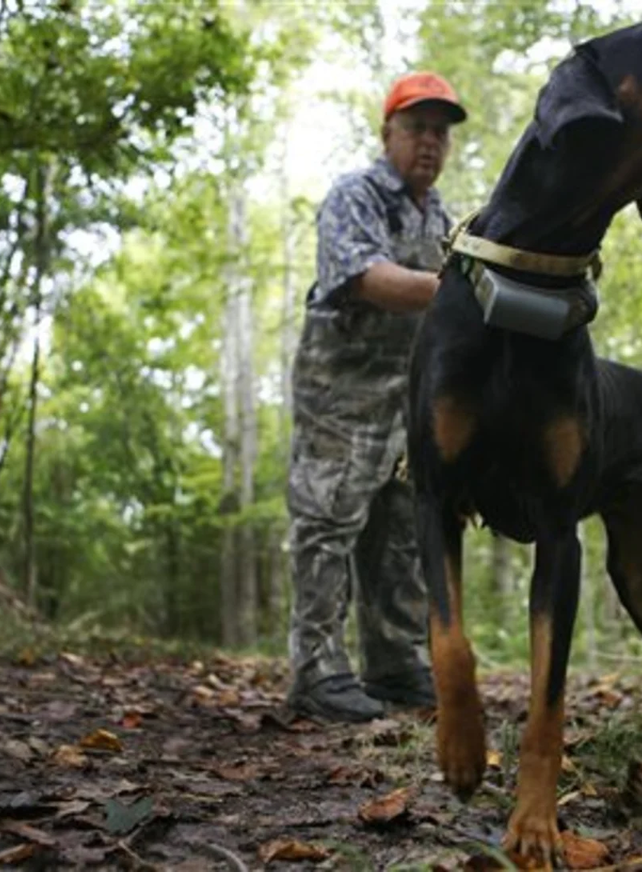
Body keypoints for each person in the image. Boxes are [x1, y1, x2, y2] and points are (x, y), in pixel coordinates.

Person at [285, 72, 468, 723]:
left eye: (440, 133)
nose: (430, 143)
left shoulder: (441, 216)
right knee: (328, 522)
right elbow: (366, 277)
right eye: (417, 128)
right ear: (388, 133)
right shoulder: (354, 196)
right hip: (341, 395)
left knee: (398, 532)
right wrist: (461, 291)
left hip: (408, 399)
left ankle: (393, 663)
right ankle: (316, 669)